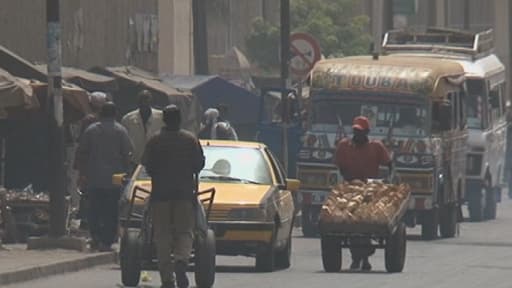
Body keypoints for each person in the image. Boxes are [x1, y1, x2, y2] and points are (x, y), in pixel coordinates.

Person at [142, 105, 205, 288]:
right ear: (180, 119)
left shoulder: (155, 140)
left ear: (164, 120)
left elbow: (147, 164)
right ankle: (181, 260)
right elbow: (199, 164)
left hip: (160, 195)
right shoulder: (190, 139)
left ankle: (167, 279)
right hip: (184, 194)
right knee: (185, 232)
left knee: (162, 235)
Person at [334, 116, 392, 271]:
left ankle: (363, 256)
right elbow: (339, 166)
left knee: (366, 219)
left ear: (366, 132)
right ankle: (359, 257)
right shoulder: (344, 146)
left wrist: (383, 180)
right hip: (350, 189)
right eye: (355, 131)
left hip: (370, 189)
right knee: (352, 221)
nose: (357, 134)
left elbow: (389, 164)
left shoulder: (376, 147)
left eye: (360, 131)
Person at [76, 102, 134, 251]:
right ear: (115, 114)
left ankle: (95, 237)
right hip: (114, 180)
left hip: (94, 178)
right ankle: (107, 240)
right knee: (111, 210)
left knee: (94, 209)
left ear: (101, 114)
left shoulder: (91, 130)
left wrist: (82, 174)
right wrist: (128, 173)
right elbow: (128, 153)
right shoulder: (121, 131)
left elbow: (82, 153)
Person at [73, 91, 108, 229]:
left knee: (87, 192)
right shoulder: (102, 121)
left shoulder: (88, 120)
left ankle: (87, 220)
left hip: (89, 163)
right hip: (101, 163)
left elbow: (81, 143)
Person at [121, 90, 165, 163]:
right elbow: (124, 142)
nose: (144, 103)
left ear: (151, 102)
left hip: (156, 161)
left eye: (146, 100)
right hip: (135, 161)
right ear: (138, 102)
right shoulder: (128, 119)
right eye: (142, 100)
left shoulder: (161, 117)